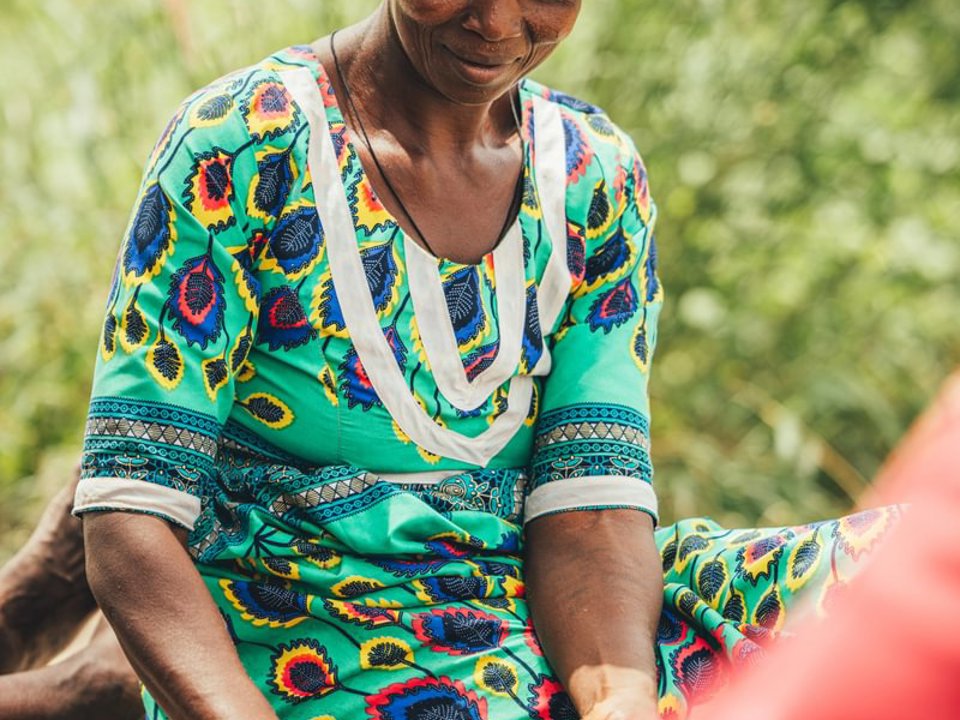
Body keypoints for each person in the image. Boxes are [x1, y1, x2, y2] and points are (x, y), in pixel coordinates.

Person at [71, 2, 895, 719]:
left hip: (558, 608)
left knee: (892, 573)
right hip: (316, 633)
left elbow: (593, 513)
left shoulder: (591, 174)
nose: (497, 24)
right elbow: (128, 518)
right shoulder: (240, 145)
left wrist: (619, 702)